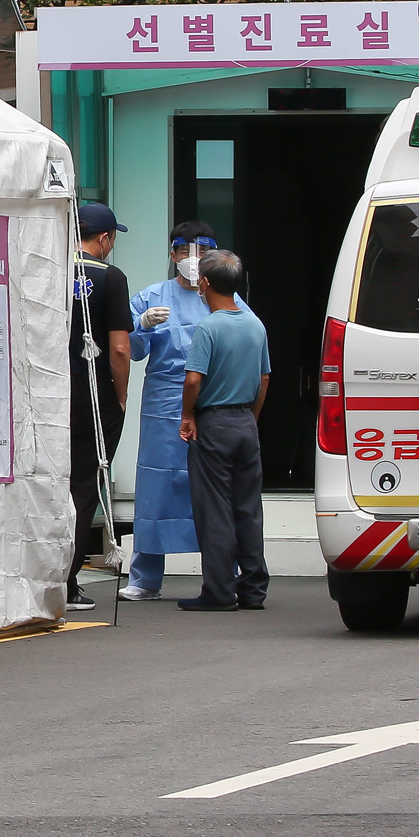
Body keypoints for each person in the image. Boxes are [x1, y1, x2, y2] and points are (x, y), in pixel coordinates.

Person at [118, 221, 215, 601]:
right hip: (164, 402)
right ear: (172, 255)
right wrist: (140, 325)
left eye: (202, 253)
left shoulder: (224, 298)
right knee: (157, 483)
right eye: (185, 252)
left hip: (210, 400)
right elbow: (130, 348)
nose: (193, 260)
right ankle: (145, 577)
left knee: (212, 486)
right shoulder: (152, 296)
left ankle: (224, 573)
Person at [176, 250, 271, 612]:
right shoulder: (254, 324)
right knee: (248, 507)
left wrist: (187, 415)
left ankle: (218, 590)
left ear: (204, 284)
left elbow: (193, 378)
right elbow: (264, 379)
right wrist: (252, 417)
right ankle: (253, 588)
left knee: (214, 508)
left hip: (213, 423)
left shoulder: (208, 327)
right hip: (245, 421)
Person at [66, 201, 130, 613]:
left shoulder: (48, 266)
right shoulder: (111, 277)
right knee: (85, 483)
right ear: (104, 238)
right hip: (92, 394)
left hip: (49, 392)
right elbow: (120, 350)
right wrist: (120, 397)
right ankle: (67, 580)